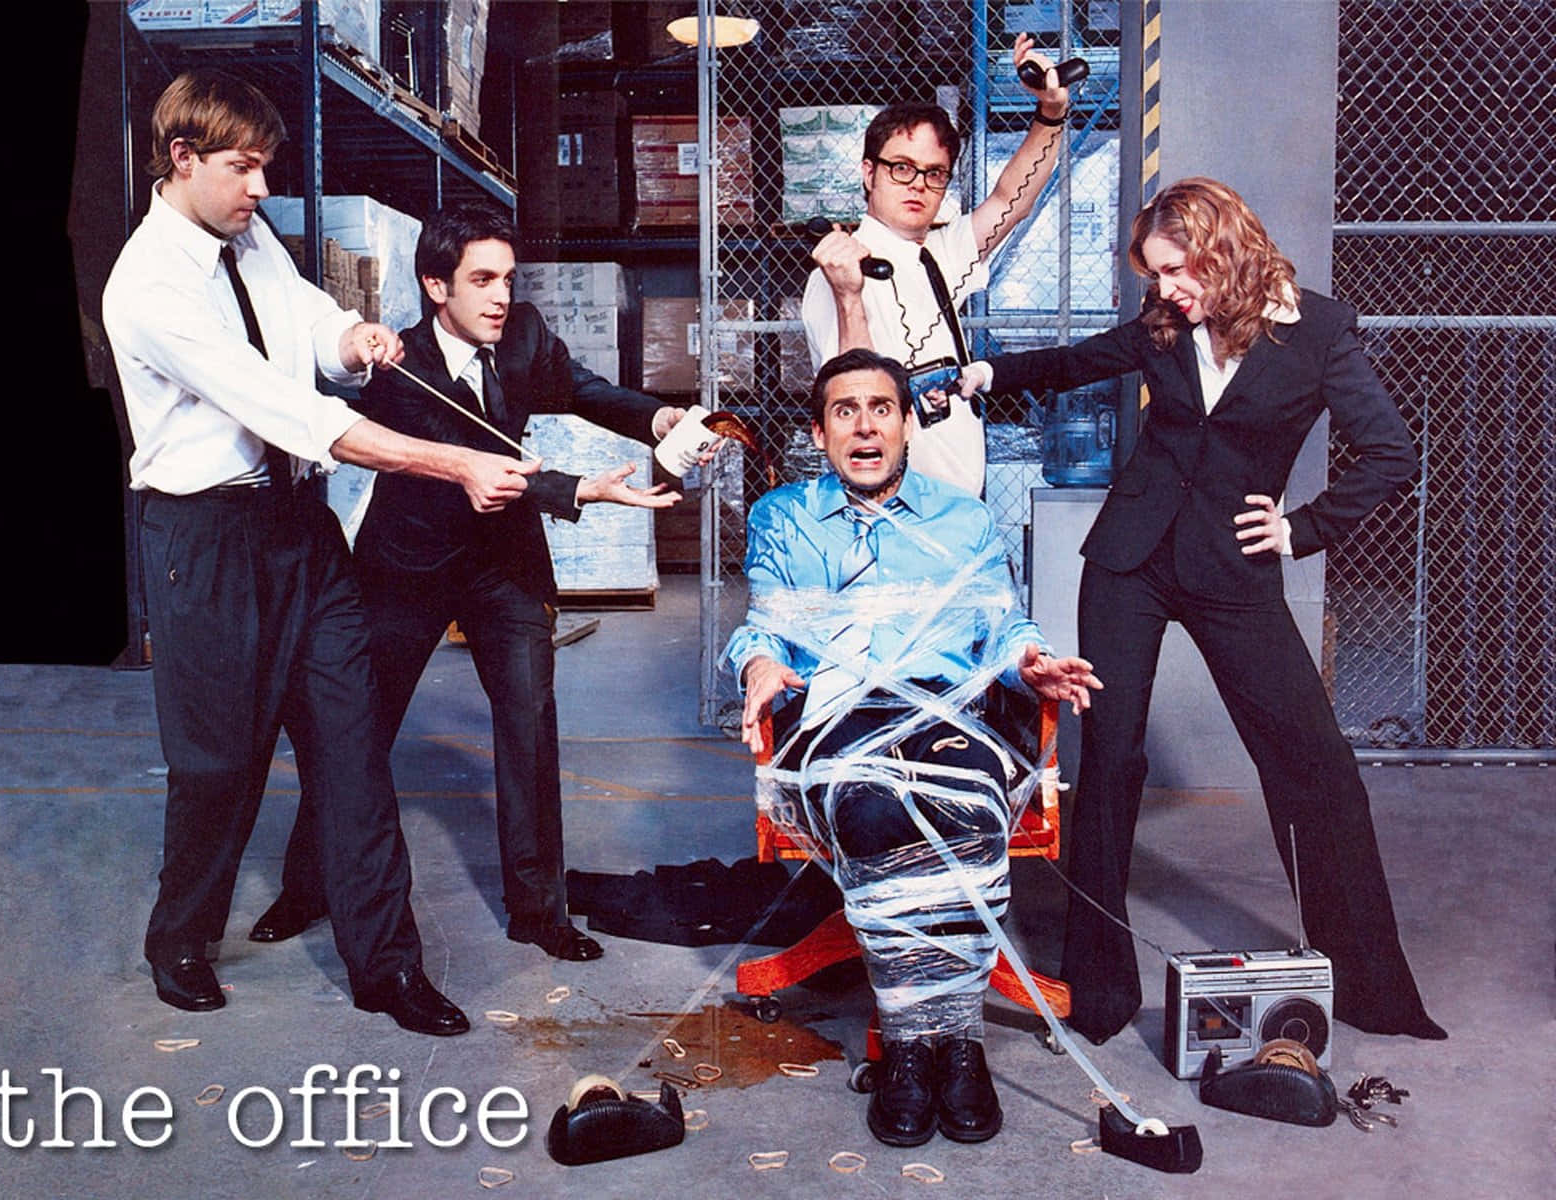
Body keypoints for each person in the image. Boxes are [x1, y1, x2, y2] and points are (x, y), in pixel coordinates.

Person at [960, 176, 1446, 1044]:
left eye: (1178, 270)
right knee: (1109, 758)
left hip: (1232, 571)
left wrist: (1300, 529)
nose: (1167, 292)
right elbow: (1082, 361)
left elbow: (1391, 454)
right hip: (1129, 562)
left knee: (1317, 764)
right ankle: (1099, 996)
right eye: (1155, 277)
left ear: (1225, 247)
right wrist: (984, 373)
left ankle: (1374, 988)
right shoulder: (1163, 323)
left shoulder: (1321, 332)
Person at [102, 71, 540, 1034]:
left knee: (353, 751)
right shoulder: (147, 285)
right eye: (243, 169)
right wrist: (449, 461)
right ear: (182, 159)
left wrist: (352, 337)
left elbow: (300, 315)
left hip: (301, 534)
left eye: (264, 168)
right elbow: (288, 411)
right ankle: (180, 937)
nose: (261, 189)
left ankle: (388, 969)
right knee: (218, 765)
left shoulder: (241, 233)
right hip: (206, 542)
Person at [249, 205, 690, 963]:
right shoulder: (397, 365)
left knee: (529, 724)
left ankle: (539, 911)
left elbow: (584, 390)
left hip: (504, 566)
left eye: (508, 280)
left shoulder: (521, 337)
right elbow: (466, 458)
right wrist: (581, 489)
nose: (499, 298)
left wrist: (663, 422)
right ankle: (307, 886)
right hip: (408, 565)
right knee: (355, 732)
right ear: (433, 287)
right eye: (481, 280)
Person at [725, 349, 1100, 1147]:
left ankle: (950, 1044)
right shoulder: (783, 518)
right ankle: (921, 1043)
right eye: (844, 411)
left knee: (965, 809)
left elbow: (1003, 626)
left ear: (905, 425)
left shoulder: (961, 517)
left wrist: (1029, 662)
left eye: (881, 409)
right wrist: (759, 667)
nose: (865, 425)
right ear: (821, 434)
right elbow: (767, 629)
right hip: (835, 712)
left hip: (950, 710)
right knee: (870, 811)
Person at [801, 35, 1071, 496]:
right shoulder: (839, 270)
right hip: (892, 499)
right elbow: (851, 392)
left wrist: (1051, 113)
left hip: (959, 493)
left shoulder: (940, 252)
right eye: (901, 168)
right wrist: (849, 295)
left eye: (934, 173)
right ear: (870, 172)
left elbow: (1012, 199)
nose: (918, 186)